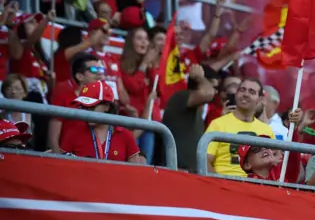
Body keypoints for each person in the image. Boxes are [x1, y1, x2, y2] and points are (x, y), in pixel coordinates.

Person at [205, 78, 275, 176]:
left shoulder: (267, 130)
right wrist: (217, 183)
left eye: (252, 92)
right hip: (222, 184)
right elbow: (205, 161)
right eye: (242, 90)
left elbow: (274, 166)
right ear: (236, 94)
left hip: (255, 187)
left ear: (260, 99)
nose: (245, 94)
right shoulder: (217, 124)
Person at [60, 81, 140, 163]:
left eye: (91, 107)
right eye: (83, 107)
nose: (86, 112)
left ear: (107, 106)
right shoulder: (74, 132)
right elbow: (60, 166)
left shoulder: (125, 135)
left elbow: (136, 171)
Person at [161, 64, 216, 172]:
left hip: (193, 172)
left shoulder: (195, 108)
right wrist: (200, 77)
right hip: (176, 171)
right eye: (210, 85)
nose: (215, 92)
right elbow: (208, 94)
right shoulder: (180, 98)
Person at [49, 53, 105, 153]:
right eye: (93, 70)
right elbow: (53, 139)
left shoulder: (105, 102)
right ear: (80, 76)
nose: (99, 74)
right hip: (67, 159)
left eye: (100, 70)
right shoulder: (64, 98)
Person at [118, 27, 159, 163]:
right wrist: (144, 64)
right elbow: (133, 87)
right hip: (130, 123)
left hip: (147, 123)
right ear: (131, 42)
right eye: (139, 38)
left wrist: (151, 65)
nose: (144, 42)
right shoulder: (122, 63)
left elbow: (157, 89)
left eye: (146, 39)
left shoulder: (148, 66)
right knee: (130, 164)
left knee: (146, 165)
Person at [238, 108, 305, 182]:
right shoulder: (246, 185)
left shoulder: (283, 173)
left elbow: (293, 156)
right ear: (247, 165)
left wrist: (293, 127)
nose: (264, 149)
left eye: (266, 146)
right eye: (256, 149)